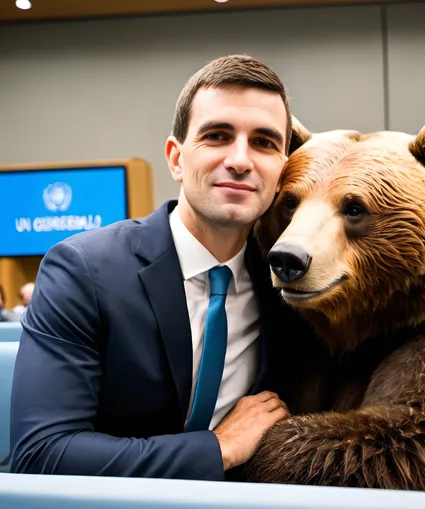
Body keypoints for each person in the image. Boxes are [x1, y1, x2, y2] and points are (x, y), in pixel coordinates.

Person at [10, 55, 323, 480]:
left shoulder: (292, 286)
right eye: (217, 136)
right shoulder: (83, 270)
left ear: (284, 169)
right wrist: (219, 447)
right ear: (176, 158)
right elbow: (43, 455)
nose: (240, 160)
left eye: (264, 142)